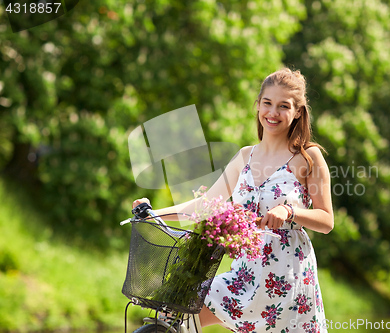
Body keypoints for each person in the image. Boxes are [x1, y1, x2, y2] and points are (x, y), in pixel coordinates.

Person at [133, 68, 333, 332]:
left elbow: (326, 220)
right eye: (267, 103)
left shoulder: (308, 157)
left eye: (283, 106)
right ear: (258, 105)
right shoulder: (245, 157)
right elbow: (205, 205)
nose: (272, 113)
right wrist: (155, 212)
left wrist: (290, 211)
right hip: (245, 272)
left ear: (297, 112)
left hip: (288, 276)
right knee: (183, 311)